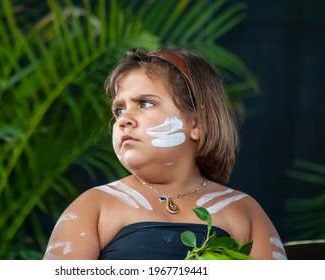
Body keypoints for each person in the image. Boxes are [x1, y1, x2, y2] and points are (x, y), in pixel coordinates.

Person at [43, 47, 287, 260]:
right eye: (118, 110)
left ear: (197, 124)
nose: (123, 120)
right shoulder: (94, 206)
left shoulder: (243, 211)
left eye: (145, 103)